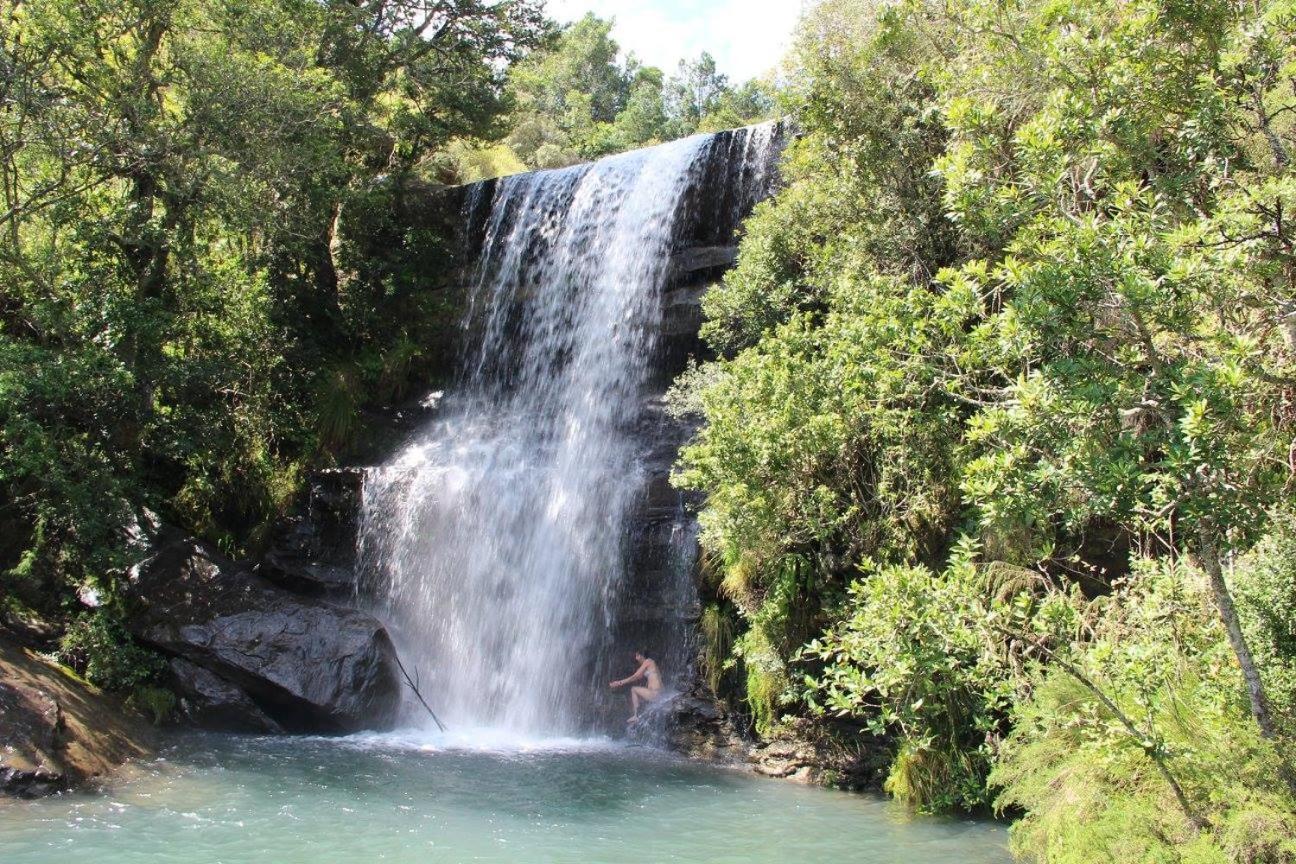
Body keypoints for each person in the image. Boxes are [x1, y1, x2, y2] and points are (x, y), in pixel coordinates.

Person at [609, 649, 663, 725]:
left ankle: (636, 715)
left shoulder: (648, 661)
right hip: (657, 693)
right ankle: (638, 715)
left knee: (634, 689)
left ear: (640, 655)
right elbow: (637, 677)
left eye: (636, 656)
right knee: (636, 698)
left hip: (655, 693)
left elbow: (635, 676)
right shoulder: (650, 665)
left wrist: (619, 683)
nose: (636, 659)